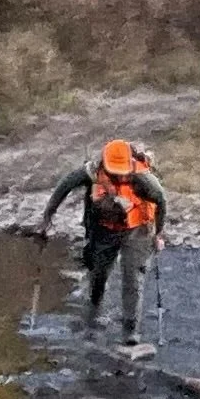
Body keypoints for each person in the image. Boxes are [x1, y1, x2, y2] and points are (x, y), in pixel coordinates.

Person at [37, 139, 168, 344]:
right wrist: (47, 217)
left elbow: (161, 199)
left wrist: (159, 234)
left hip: (139, 229)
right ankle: (94, 309)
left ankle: (130, 331)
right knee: (98, 273)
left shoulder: (143, 177)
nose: (118, 175)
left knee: (133, 278)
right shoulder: (91, 172)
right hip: (104, 229)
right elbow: (64, 187)